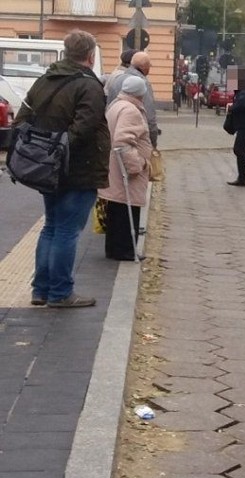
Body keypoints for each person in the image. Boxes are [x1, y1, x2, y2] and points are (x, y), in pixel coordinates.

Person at [14, 29, 110, 308]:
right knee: (67, 230)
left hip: (44, 167)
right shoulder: (89, 86)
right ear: (90, 57)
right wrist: (61, 145)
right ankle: (60, 292)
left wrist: (43, 148)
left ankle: (40, 290)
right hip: (78, 168)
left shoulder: (45, 80)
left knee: (51, 227)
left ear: (66, 53)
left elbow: (22, 120)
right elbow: (86, 126)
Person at [99, 76, 152, 261]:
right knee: (127, 209)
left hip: (113, 167)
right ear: (140, 94)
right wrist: (137, 166)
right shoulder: (131, 110)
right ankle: (125, 250)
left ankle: (114, 249)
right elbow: (123, 141)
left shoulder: (117, 105)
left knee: (116, 208)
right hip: (125, 171)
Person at [108, 52, 159, 148]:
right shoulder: (142, 83)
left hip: (113, 136)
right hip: (135, 139)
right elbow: (150, 116)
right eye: (149, 66)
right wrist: (153, 142)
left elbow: (109, 107)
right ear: (144, 67)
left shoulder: (117, 79)